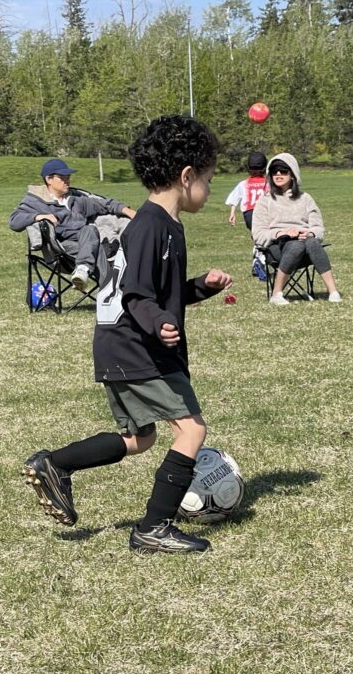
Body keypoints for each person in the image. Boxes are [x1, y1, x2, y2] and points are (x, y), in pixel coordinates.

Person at [20, 115, 234, 555]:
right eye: (209, 181)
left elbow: (153, 292)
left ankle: (55, 464)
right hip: (136, 342)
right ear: (186, 175)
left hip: (117, 342)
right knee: (191, 430)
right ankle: (154, 528)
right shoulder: (155, 225)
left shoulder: (159, 223)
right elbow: (138, 295)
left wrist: (199, 288)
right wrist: (158, 323)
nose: (210, 191)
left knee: (140, 438)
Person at [9, 158, 135, 290]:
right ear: (48, 179)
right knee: (95, 242)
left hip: (86, 243)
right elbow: (14, 221)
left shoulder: (77, 199)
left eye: (68, 176)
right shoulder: (36, 201)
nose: (67, 180)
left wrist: (129, 211)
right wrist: (39, 216)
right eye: (62, 177)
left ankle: (85, 271)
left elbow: (104, 204)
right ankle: (111, 295)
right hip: (61, 249)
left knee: (92, 235)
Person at [251, 152, 342, 304]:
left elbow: (318, 228)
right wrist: (282, 233)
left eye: (283, 171)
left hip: (306, 247)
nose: (278, 174)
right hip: (276, 248)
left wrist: (309, 233)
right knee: (295, 246)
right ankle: (276, 294)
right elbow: (258, 233)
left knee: (312, 242)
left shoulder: (305, 199)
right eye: (274, 171)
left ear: (292, 174)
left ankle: (333, 292)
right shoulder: (264, 201)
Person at [225, 151, 268, 230]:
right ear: (265, 167)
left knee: (257, 235)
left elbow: (234, 199)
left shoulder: (244, 184)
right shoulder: (268, 183)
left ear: (248, 168)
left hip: (249, 214)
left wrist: (232, 213)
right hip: (265, 212)